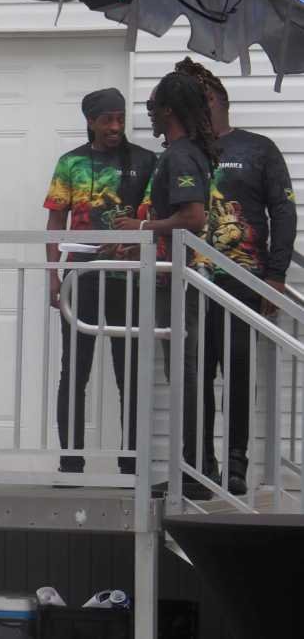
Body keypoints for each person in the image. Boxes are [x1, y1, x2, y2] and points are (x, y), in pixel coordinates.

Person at [174, 58, 297, 495]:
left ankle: (237, 465)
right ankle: (199, 465)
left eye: (200, 99)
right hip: (191, 280)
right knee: (196, 375)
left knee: (240, 372)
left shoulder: (257, 149)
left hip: (244, 280)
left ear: (215, 100)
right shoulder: (183, 152)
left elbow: (283, 211)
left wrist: (276, 275)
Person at [116, 72, 219, 497]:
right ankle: (196, 469)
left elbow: (193, 217)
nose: (150, 115)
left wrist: (142, 226)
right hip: (172, 276)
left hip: (180, 281)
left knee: (186, 373)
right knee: (185, 373)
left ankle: (194, 474)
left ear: (169, 110)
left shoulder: (181, 156)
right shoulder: (181, 152)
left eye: (152, 107)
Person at [44, 88, 156, 475]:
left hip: (129, 277)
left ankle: (132, 465)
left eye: (120, 118)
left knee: (130, 371)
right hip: (81, 276)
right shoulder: (70, 162)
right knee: (74, 369)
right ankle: (71, 462)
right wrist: (53, 274)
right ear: (90, 121)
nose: (115, 126)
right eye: (107, 119)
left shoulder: (146, 160)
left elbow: (153, 214)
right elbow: (55, 220)